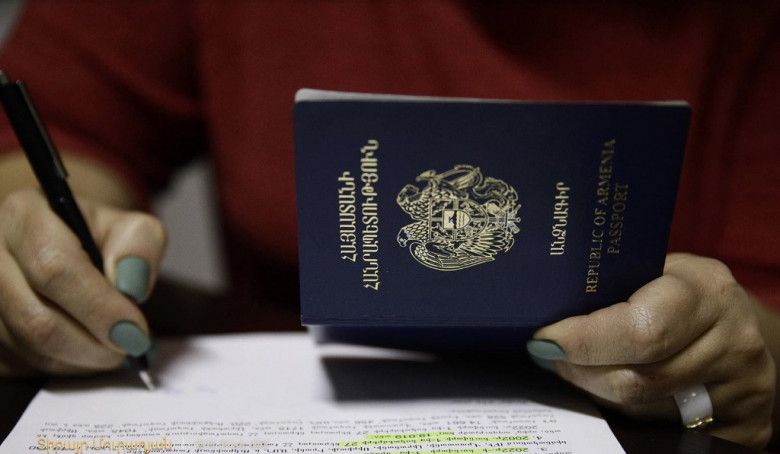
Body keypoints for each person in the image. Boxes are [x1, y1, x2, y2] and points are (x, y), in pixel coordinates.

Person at [0, 1, 778, 449]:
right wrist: (49, 242)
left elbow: (762, 321)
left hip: (610, 420)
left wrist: (731, 372)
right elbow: (61, 128)